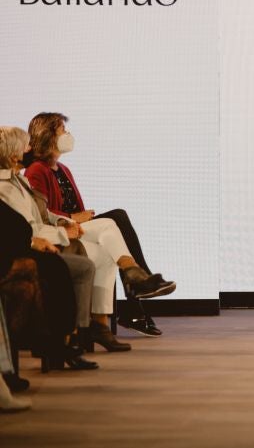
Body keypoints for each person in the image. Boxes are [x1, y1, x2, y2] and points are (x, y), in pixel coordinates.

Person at [24, 112, 175, 338]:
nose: (68, 135)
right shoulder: (36, 170)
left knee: (115, 226)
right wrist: (72, 217)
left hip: (75, 226)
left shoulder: (63, 169)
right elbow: (40, 212)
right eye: (63, 131)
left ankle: (130, 300)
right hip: (60, 230)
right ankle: (137, 285)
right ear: (48, 136)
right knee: (116, 219)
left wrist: (78, 218)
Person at [0, 128, 97, 371]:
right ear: (14, 154)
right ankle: (56, 340)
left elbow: (42, 214)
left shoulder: (19, 180)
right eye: (26, 147)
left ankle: (73, 337)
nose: (30, 150)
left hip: (37, 239)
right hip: (21, 248)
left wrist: (63, 222)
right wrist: (62, 234)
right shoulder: (4, 187)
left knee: (82, 265)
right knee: (59, 267)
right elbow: (24, 229)